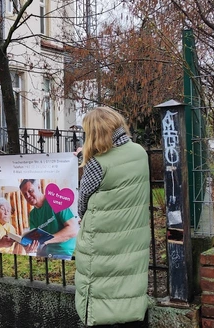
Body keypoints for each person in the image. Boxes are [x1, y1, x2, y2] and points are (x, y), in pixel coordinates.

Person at [74, 107, 150, 327]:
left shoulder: (97, 163)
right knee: (129, 287)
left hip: (102, 243)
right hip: (133, 238)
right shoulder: (139, 152)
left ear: (94, 132)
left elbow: (83, 205)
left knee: (102, 295)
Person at [19, 179, 78, 259]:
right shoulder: (32, 215)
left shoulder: (56, 200)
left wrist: (46, 241)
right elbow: (36, 240)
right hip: (44, 254)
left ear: (39, 187)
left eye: (30, 191)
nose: (28, 196)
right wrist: (29, 247)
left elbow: (73, 229)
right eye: (25, 194)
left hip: (63, 253)